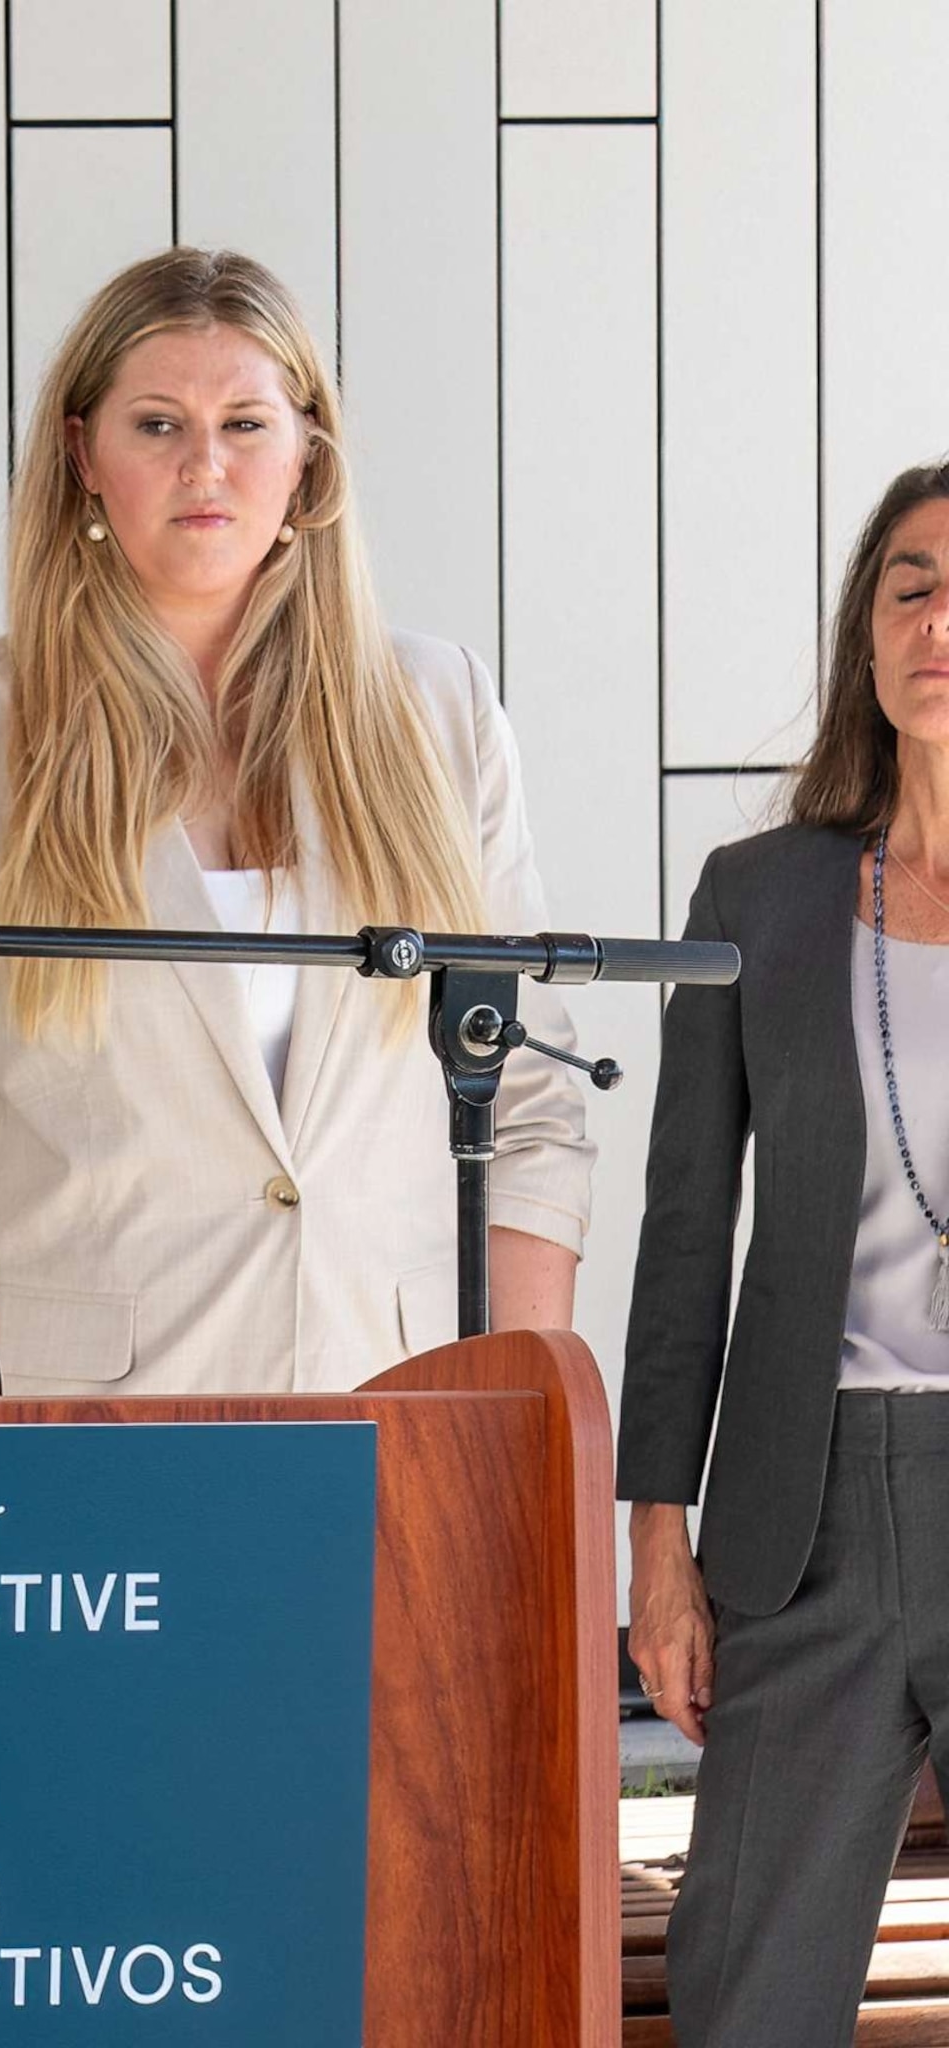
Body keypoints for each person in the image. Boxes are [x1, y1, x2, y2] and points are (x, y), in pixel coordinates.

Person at [0, 246, 592, 1395]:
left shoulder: (439, 707)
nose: (205, 464)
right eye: (156, 425)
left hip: (401, 1400)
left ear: (309, 455)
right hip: (81, 1425)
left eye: (246, 424)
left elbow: (530, 1094)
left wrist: (512, 1405)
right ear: (82, 454)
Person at [623, 458, 949, 2045]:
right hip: (803, 1510)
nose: (942, 618)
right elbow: (686, 1236)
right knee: (750, 1992)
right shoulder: (758, 895)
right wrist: (657, 1546)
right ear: (866, 635)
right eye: (911, 585)